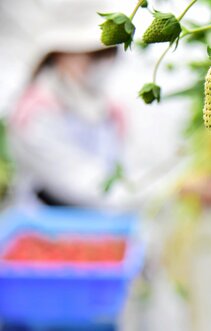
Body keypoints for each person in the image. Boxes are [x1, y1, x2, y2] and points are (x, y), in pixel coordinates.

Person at [7, 0, 131, 209]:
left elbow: (117, 167)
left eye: (108, 54)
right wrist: (163, 190)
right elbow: (81, 182)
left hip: (101, 221)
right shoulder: (36, 113)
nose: (102, 63)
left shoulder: (107, 109)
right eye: (93, 55)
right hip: (48, 226)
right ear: (60, 55)